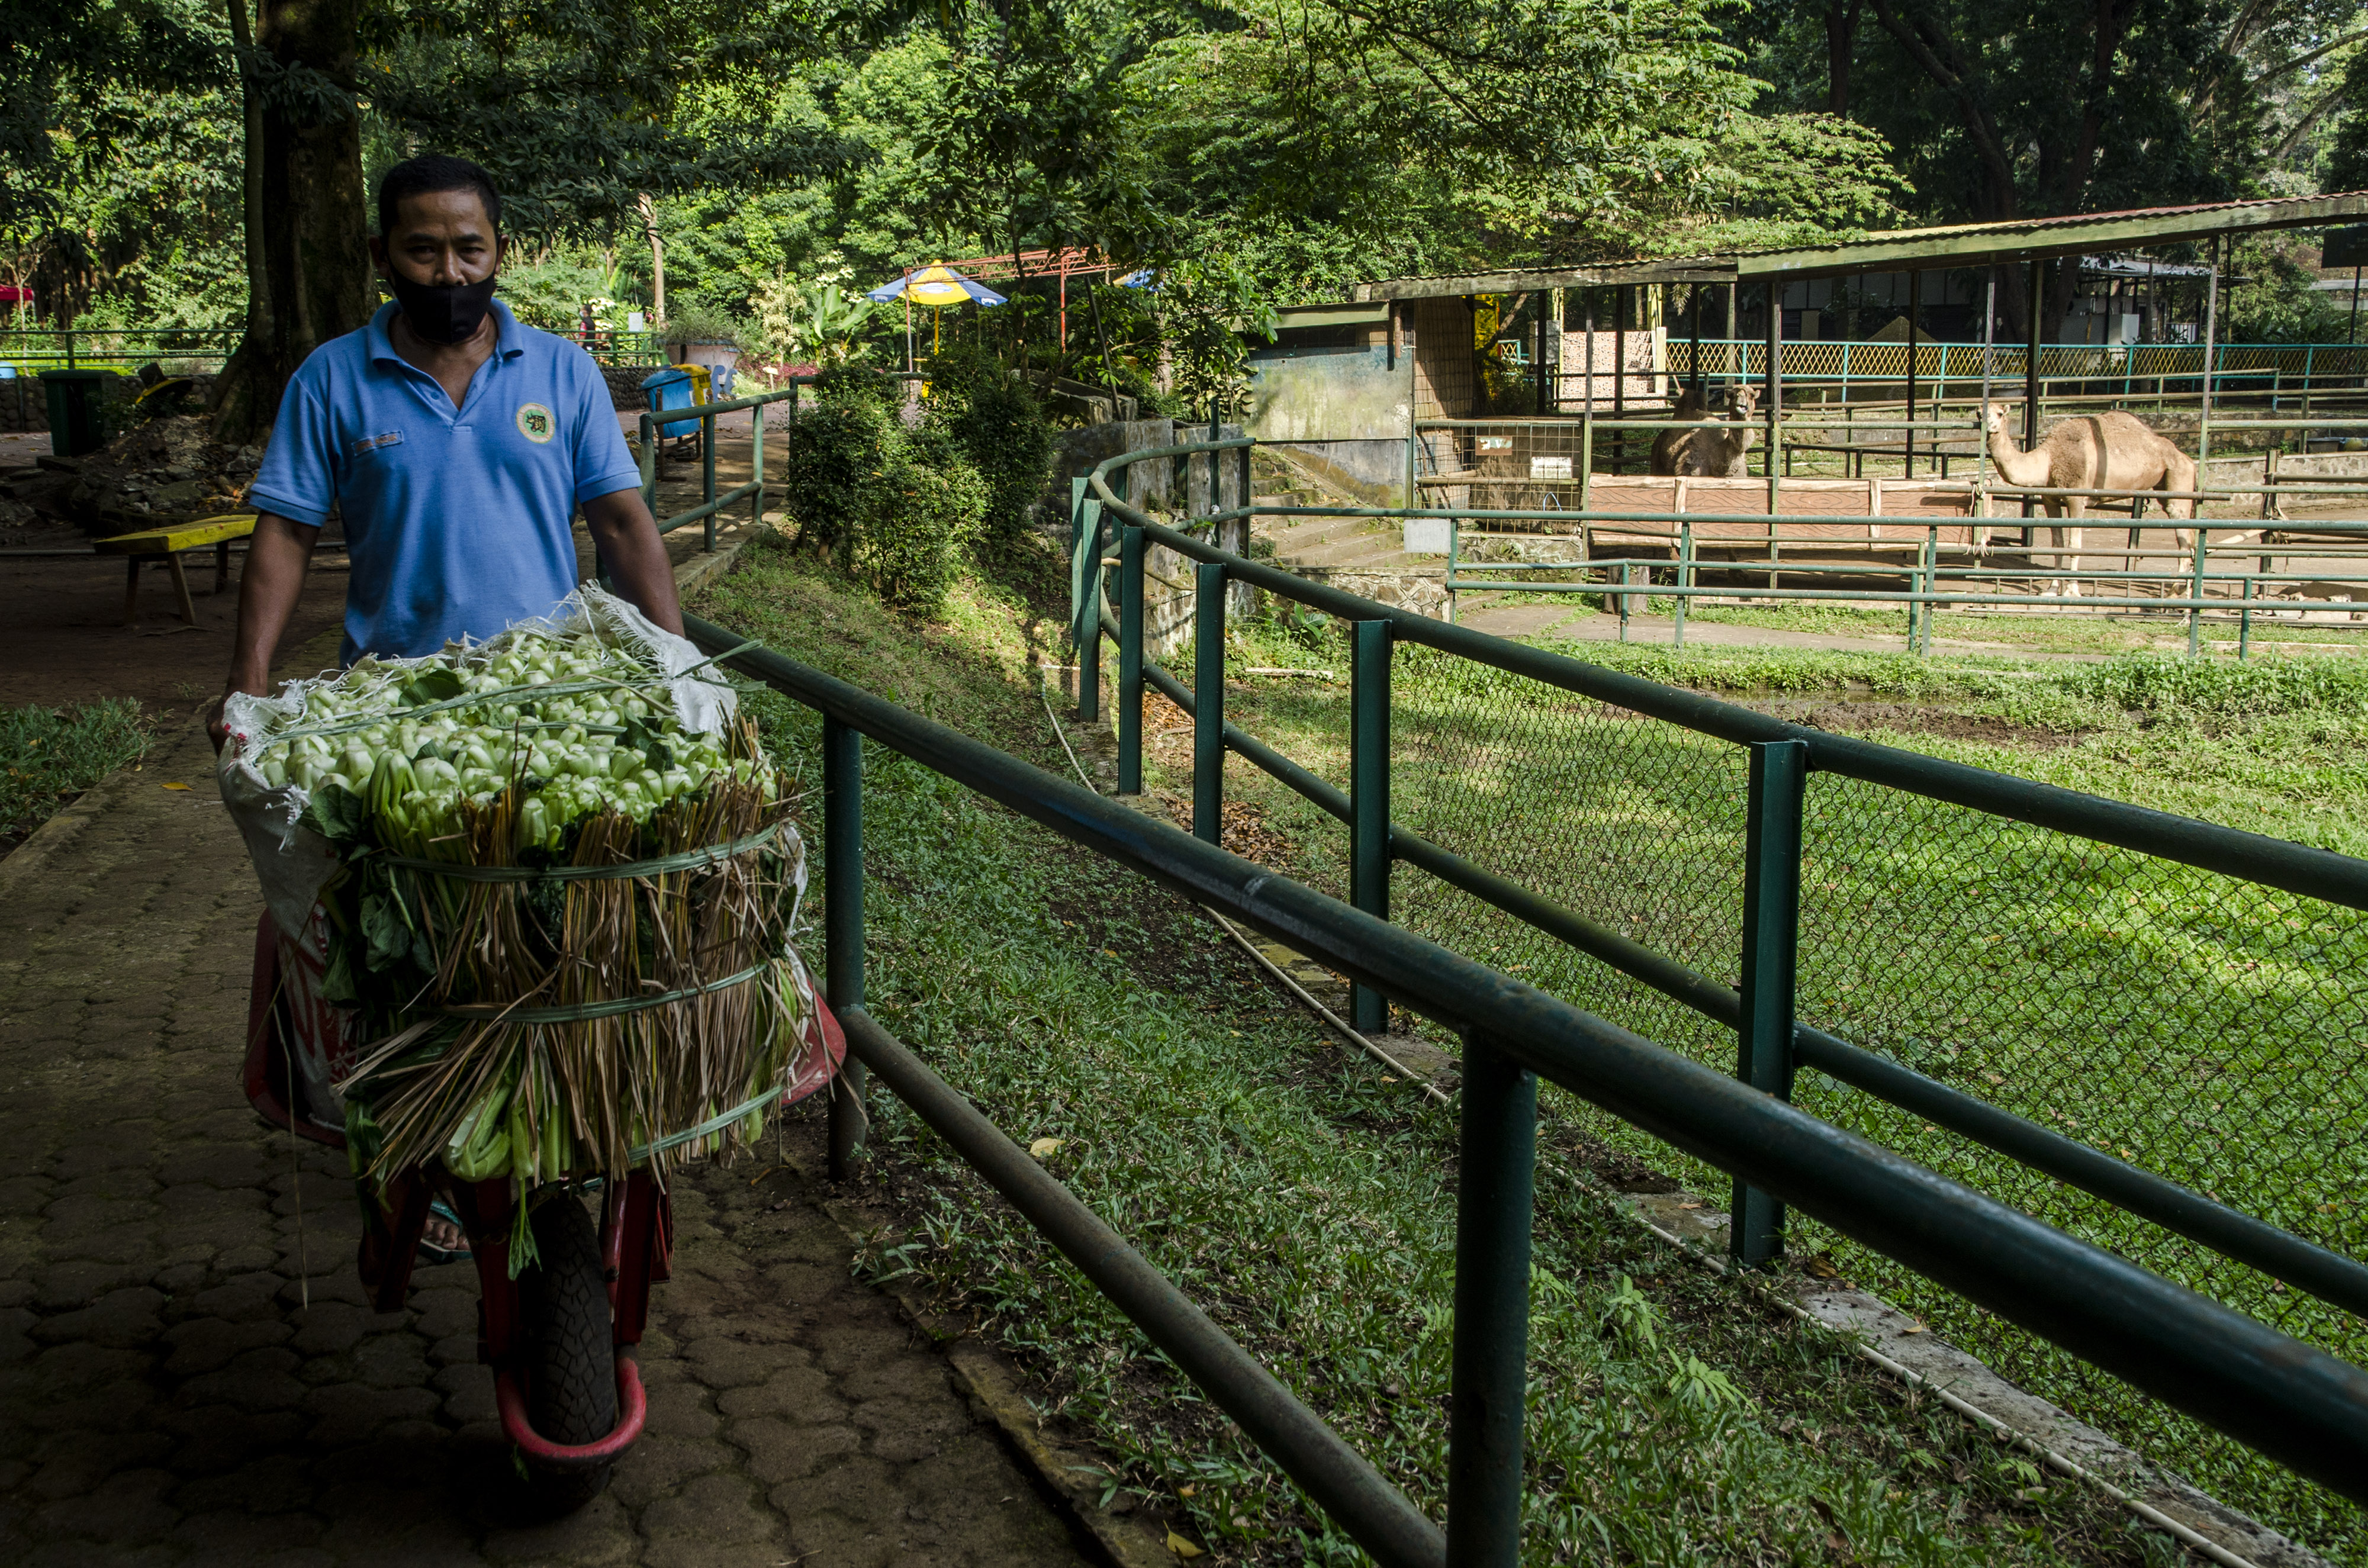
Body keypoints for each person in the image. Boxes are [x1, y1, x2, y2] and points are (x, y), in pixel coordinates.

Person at [213, 153, 682, 1257]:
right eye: (423, 249)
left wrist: (677, 662)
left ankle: (571, 1126)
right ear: (384, 256)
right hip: (397, 711)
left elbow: (621, 526)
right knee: (407, 948)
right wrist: (249, 686)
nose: (449, 269)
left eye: (469, 248)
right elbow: (285, 534)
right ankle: (419, 1150)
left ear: (500, 250)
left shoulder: (562, 374)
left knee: (550, 929)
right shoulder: (332, 380)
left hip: (549, 702)